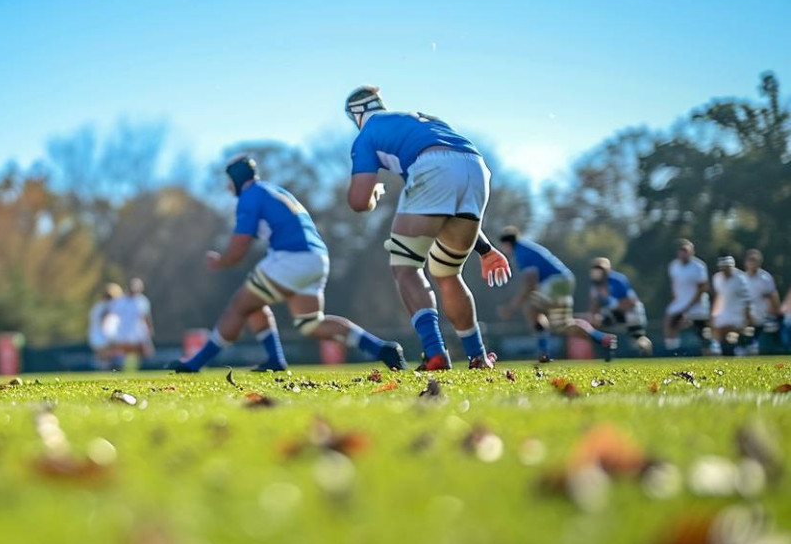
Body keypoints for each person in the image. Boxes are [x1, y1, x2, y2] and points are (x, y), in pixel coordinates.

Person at [171, 155, 405, 373]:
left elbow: (238, 249)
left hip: (291, 258)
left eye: (228, 181)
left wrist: (221, 261)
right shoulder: (274, 190)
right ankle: (381, 348)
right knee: (310, 324)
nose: (227, 187)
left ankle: (195, 363)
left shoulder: (250, 196)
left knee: (239, 307)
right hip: (317, 258)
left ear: (236, 179)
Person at [343, 86, 512, 370]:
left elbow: (359, 202)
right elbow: (452, 173)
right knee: (447, 272)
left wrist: (374, 195)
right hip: (475, 166)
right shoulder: (418, 118)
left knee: (406, 266)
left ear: (355, 115)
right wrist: (484, 250)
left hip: (431, 165)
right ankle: (478, 357)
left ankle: (435, 353)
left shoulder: (366, 134)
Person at [496, 228, 617, 361]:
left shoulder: (520, 252)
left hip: (555, 282)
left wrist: (511, 307)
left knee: (530, 307)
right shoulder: (526, 247)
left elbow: (530, 283)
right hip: (564, 281)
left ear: (506, 244)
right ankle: (603, 339)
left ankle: (543, 352)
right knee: (563, 325)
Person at [588, 258, 654, 355]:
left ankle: (646, 352)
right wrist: (594, 318)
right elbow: (594, 304)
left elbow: (631, 302)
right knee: (598, 329)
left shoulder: (617, 280)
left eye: (600, 269)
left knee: (638, 339)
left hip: (631, 313)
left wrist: (614, 305)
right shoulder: (595, 285)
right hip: (614, 314)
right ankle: (607, 352)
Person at [664, 239, 712, 355]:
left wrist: (688, 308)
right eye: (681, 251)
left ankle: (709, 353)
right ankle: (672, 351)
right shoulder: (674, 266)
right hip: (680, 303)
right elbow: (675, 286)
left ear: (692, 252)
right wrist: (677, 303)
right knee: (669, 321)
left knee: (703, 333)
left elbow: (703, 288)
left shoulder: (699, 266)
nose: (683, 253)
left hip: (697, 304)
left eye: (686, 250)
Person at [710, 255, 753, 355]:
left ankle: (741, 352)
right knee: (719, 333)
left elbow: (746, 299)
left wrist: (747, 316)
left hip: (737, 311)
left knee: (736, 334)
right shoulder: (717, 278)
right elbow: (718, 296)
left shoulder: (741, 278)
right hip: (724, 310)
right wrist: (713, 313)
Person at [742, 249, 779, 354]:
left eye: (755, 260)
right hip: (746, 316)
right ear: (746, 262)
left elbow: (772, 297)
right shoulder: (742, 279)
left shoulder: (765, 278)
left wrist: (774, 314)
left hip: (763, 316)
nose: (753, 263)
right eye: (750, 260)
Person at [87, 286, 118, 370]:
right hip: (103, 337)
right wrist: (109, 337)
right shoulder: (107, 307)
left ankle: (102, 372)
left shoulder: (97, 306)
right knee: (105, 357)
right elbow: (105, 323)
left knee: (102, 357)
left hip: (96, 336)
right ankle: (104, 372)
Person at [128, 277, 156, 358]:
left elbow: (146, 317)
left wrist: (150, 329)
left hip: (140, 332)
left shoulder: (142, 301)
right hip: (125, 333)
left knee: (145, 353)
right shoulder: (123, 301)